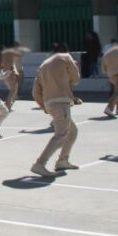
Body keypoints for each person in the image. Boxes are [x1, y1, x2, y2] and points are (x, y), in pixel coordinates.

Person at [30, 43, 81, 178]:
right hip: (61, 103)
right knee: (61, 135)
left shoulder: (43, 65)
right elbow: (76, 80)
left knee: (72, 131)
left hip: (50, 103)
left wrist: (44, 107)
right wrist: (75, 68)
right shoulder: (66, 57)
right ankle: (40, 163)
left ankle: (62, 160)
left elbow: (35, 91)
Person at [0, 43, 31, 109]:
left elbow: (1, 65)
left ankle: (9, 104)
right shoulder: (11, 52)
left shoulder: (3, 54)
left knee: (13, 90)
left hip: (5, 73)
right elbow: (22, 53)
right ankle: (7, 104)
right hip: (10, 73)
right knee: (13, 90)